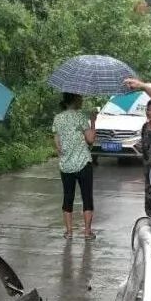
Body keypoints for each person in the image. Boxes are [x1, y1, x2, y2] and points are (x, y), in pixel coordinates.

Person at [52, 93, 97, 239]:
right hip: (83, 163)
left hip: (66, 166)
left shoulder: (57, 119)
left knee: (67, 197)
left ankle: (69, 232)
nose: (82, 100)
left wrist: (67, 154)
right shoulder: (81, 117)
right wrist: (93, 121)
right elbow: (90, 140)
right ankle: (87, 232)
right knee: (87, 197)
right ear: (75, 100)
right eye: (80, 98)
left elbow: (58, 147)